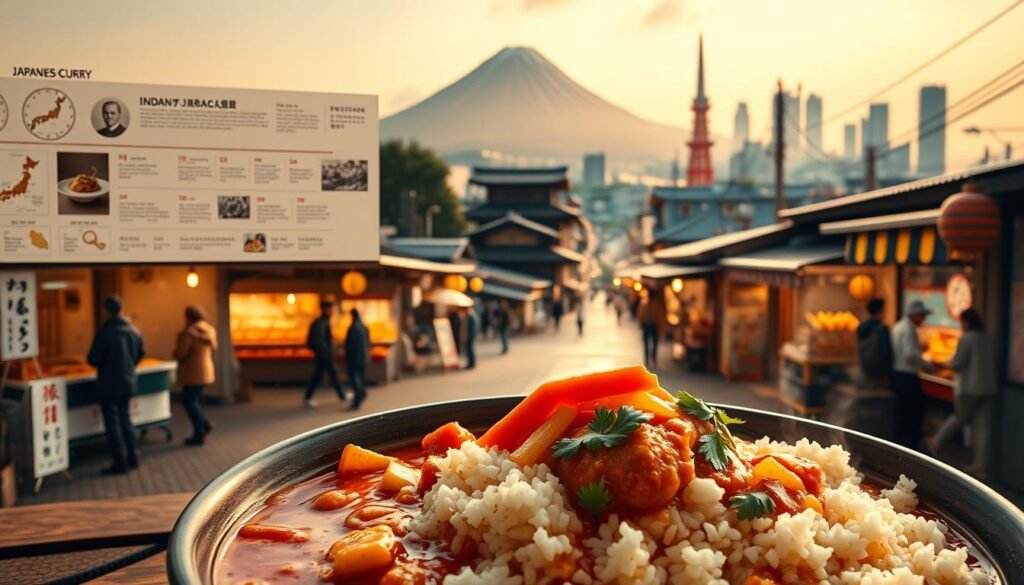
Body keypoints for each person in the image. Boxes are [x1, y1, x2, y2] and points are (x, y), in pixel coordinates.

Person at [928, 308, 995, 477]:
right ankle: (981, 464)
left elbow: (957, 363)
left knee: (959, 417)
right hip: (987, 387)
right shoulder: (987, 338)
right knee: (983, 426)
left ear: (966, 322)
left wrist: (940, 362)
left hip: (968, 388)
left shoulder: (967, 339)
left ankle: (936, 441)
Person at [87, 295, 144, 475]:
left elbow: (93, 358)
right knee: (126, 419)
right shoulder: (134, 331)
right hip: (128, 381)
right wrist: (128, 366)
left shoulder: (105, 333)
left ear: (106, 310)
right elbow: (140, 353)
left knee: (112, 422)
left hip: (109, 383)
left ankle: (120, 462)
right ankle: (133, 458)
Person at [890, 300, 935, 450]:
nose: (923, 319)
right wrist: (927, 365)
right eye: (922, 315)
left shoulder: (898, 327)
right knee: (912, 415)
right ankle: (909, 448)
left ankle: (902, 446)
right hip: (907, 377)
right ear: (914, 315)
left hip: (898, 375)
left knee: (902, 415)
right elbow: (910, 354)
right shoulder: (908, 330)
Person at [173, 305, 217, 446]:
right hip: (205, 371)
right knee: (197, 400)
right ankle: (203, 426)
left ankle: (200, 430)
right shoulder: (209, 330)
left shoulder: (189, 333)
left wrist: (176, 346)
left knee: (188, 401)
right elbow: (214, 347)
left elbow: (181, 353)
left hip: (192, 372)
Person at [304, 300, 346, 407]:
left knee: (324, 375)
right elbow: (319, 340)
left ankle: (342, 396)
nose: (333, 311)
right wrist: (326, 352)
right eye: (331, 309)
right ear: (326, 309)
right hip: (324, 355)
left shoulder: (324, 321)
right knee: (327, 374)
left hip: (324, 354)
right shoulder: (321, 323)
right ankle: (308, 397)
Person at [856, 298, 893, 387]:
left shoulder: (862, 327)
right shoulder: (882, 329)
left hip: (866, 367)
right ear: (881, 311)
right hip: (880, 370)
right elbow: (886, 351)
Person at [344, 308, 370, 411]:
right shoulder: (363, 326)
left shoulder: (353, 328)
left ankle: (359, 396)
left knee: (355, 378)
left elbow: (349, 345)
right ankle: (362, 393)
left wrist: (347, 356)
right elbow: (368, 342)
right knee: (360, 377)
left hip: (355, 357)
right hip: (364, 356)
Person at [637, 290, 666, 367]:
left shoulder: (654, 305)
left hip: (653, 326)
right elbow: (641, 315)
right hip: (648, 326)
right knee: (648, 343)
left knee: (653, 344)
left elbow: (659, 317)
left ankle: (652, 359)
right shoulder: (645, 303)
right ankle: (649, 360)